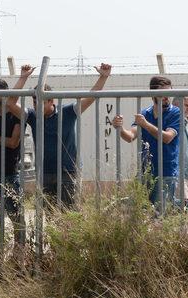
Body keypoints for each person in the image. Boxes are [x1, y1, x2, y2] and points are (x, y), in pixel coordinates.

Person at [6, 63, 112, 207]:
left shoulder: (68, 112)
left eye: (41, 102)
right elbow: (10, 103)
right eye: (35, 102)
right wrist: (23, 78)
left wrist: (103, 77)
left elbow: (92, 96)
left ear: (51, 101)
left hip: (68, 171)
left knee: (69, 213)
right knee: (49, 214)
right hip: (45, 172)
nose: (37, 106)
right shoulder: (32, 115)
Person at [0, 66, 33, 245]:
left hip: (9, 173)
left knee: (16, 216)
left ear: (1, 94)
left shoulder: (15, 115)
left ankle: (19, 254)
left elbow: (13, 143)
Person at [111, 76, 181, 205]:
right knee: (143, 212)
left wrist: (145, 124)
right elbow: (130, 136)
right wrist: (119, 127)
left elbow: (167, 138)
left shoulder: (175, 112)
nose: (167, 96)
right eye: (163, 93)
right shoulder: (146, 113)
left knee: (160, 216)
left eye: (169, 92)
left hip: (166, 172)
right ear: (152, 93)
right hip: (145, 172)